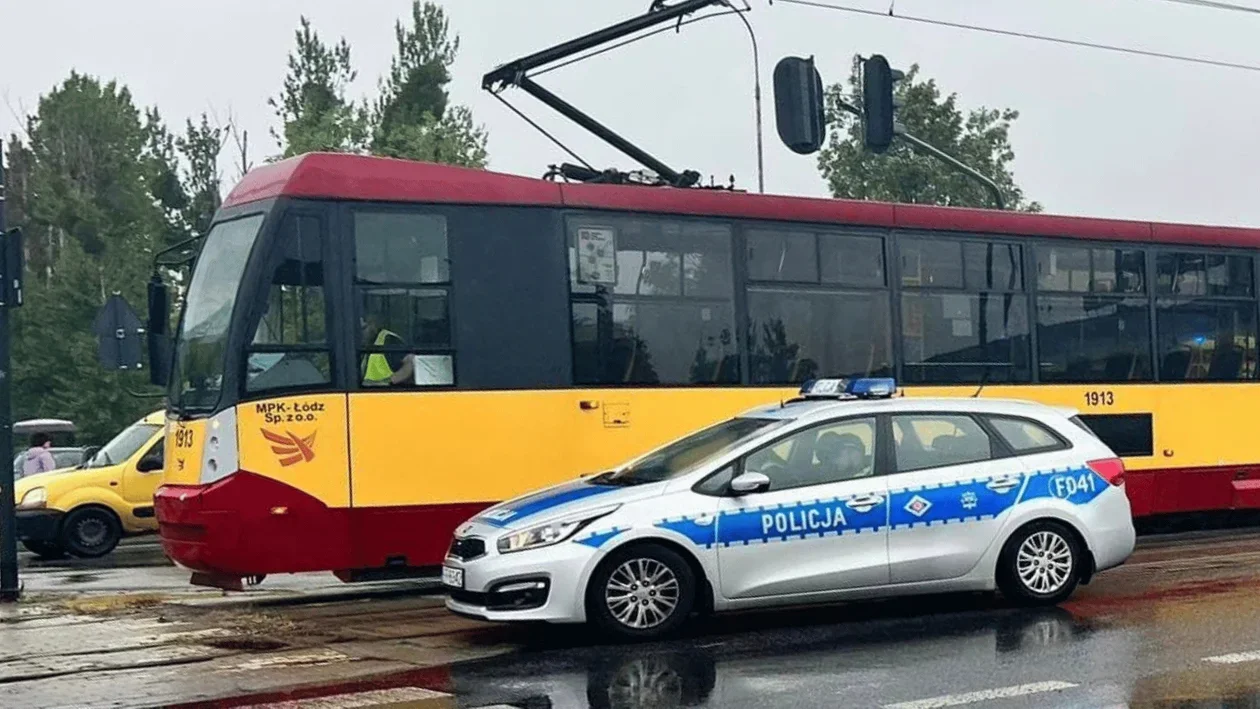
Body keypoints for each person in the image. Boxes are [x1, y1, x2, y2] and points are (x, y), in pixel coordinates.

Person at [360, 314, 415, 386]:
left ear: (373, 325)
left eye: (363, 328)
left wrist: (386, 382)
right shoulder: (366, 346)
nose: (360, 333)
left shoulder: (389, 340)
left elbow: (411, 363)